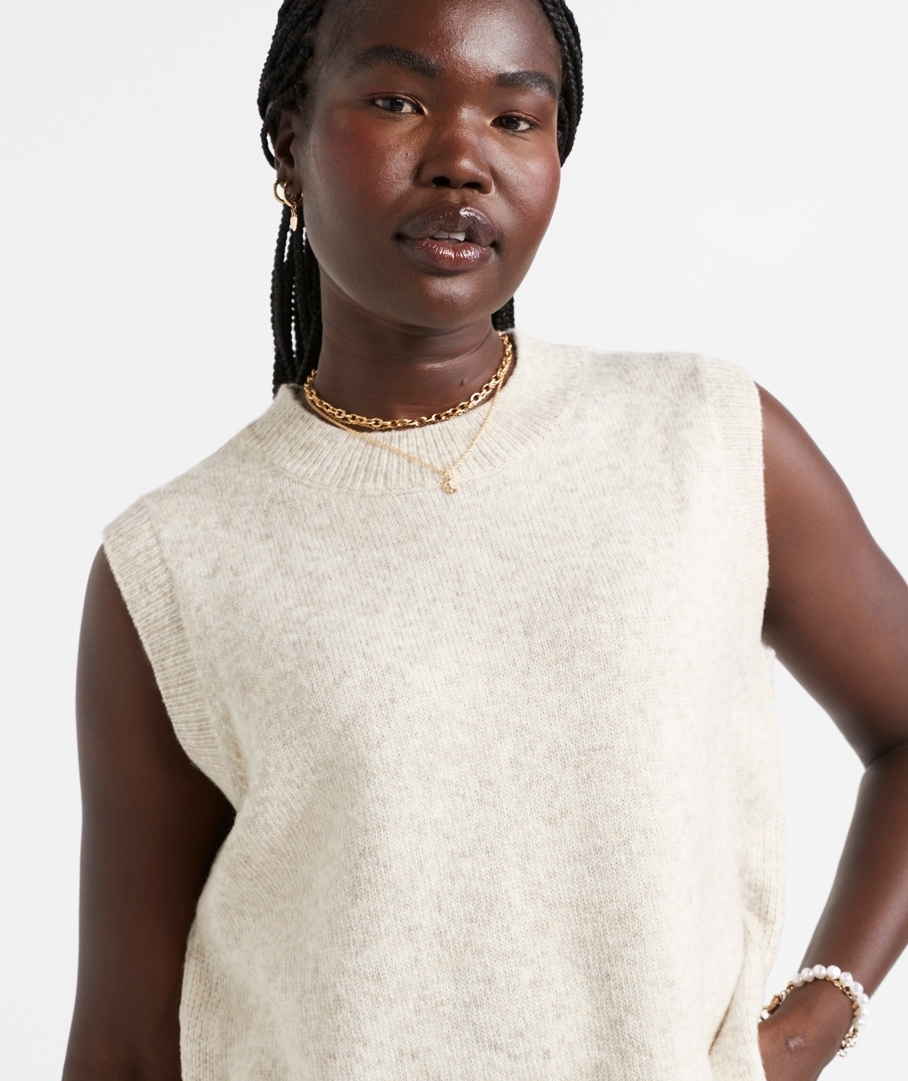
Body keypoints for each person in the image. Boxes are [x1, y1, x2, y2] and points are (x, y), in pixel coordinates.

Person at [62, 0, 908, 1078]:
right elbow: (129, 1042)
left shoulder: (703, 439)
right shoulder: (173, 564)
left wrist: (804, 1028)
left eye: (516, 119)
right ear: (288, 135)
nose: (462, 159)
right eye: (397, 100)